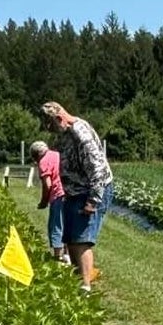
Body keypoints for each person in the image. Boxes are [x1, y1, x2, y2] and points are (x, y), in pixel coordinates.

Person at [41, 101, 114, 293]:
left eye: (50, 125)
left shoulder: (81, 134)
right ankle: (78, 281)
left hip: (91, 190)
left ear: (59, 118)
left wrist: (92, 202)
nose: (49, 130)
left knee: (82, 239)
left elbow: (97, 171)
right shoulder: (64, 135)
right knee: (70, 238)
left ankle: (86, 287)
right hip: (74, 191)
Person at [30, 139, 68, 261]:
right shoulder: (57, 154)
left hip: (58, 194)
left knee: (56, 224)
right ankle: (68, 254)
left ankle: (58, 256)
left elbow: (48, 184)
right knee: (68, 224)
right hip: (70, 192)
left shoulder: (43, 162)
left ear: (36, 155)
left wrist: (44, 201)